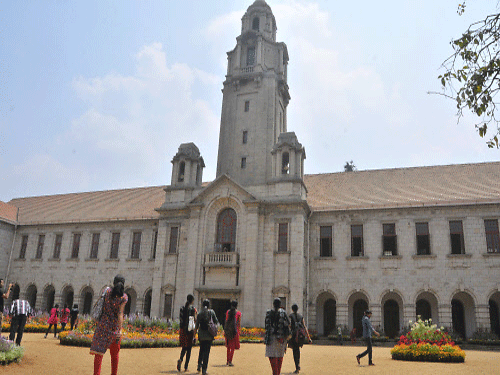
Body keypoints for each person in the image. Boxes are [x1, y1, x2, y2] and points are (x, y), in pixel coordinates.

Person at [90, 275, 128, 375]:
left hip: (103, 325)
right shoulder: (123, 297)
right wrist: (119, 330)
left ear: (113, 282)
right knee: (115, 355)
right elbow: (120, 314)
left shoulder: (106, 292)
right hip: (114, 328)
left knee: (98, 355)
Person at [265, 298, 290, 375]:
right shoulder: (283, 313)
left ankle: (275, 372)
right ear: (280, 304)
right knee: (279, 356)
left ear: (273, 304)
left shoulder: (268, 313)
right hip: (281, 337)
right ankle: (277, 372)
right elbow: (288, 323)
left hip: (271, 337)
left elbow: (266, 325)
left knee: (272, 356)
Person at [196, 299, 218, 375]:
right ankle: (204, 370)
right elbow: (216, 322)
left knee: (201, 350)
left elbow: (196, 325)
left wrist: (194, 335)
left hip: (201, 335)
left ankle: (199, 365)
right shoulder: (212, 312)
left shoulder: (200, 313)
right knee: (207, 353)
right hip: (209, 335)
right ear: (209, 305)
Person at [288, 303, 311, 374]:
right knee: (297, 350)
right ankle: (298, 365)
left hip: (294, 336)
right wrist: (308, 337)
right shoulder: (301, 316)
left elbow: (289, 326)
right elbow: (304, 327)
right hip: (301, 336)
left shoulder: (290, 316)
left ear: (292, 309)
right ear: (297, 309)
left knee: (295, 351)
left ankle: (297, 366)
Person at [177, 294, 197, 372]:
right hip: (190, 331)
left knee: (184, 347)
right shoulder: (193, 309)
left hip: (183, 330)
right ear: (192, 300)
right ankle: (186, 367)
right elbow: (195, 320)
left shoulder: (182, 308)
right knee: (189, 349)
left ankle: (181, 359)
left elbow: (181, 320)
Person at [224, 300, 241, 366]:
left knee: (228, 347)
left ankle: (227, 361)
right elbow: (239, 323)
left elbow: (226, 321)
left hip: (228, 330)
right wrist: (238, 331)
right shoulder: (238, 313)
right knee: (232, 347)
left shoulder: (228, 312)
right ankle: (230, 361)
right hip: (235, 331)